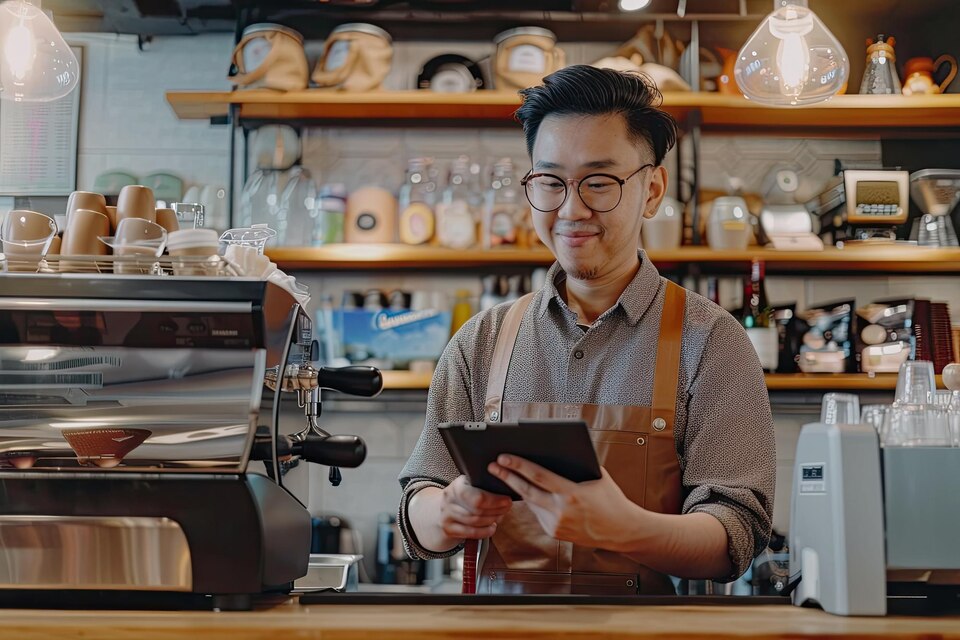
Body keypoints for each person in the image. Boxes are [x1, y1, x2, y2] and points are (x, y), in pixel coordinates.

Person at [397, 65, 775, 595]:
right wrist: (447, 512)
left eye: (599, 182)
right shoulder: (482, 340)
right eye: (551, 182)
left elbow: (737, 533)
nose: (572, 209)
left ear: (652, 190)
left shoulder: (713, 341)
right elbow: (419, 506)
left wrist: (625, 527)